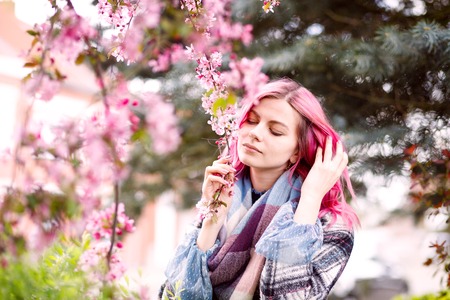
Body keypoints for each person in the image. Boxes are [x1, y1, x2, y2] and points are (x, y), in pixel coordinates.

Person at [160, 78, 359, 299]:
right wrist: (211, 222)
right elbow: (171, 295)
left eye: (275, 131)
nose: (255, 133)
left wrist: (309, 201)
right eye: (252, 121)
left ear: (297, 151)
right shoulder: (223, 198)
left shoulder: (331, 227)